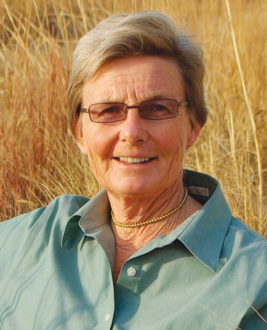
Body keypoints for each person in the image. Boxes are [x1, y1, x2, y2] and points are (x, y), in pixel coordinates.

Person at [0, 11, 266, 330]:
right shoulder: (23, 243)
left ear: (194, 125)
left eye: (157, 108)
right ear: (79, 133)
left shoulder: (254, 282)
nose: (132, 131)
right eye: (109, 110)